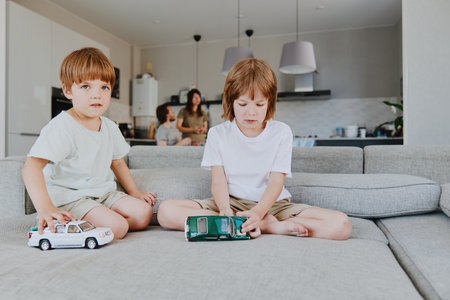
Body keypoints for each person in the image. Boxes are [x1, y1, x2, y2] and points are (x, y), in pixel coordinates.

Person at [158, 58, 352, 240]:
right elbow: (218, 181)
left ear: (270, 103)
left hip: (273, 205)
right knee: (166, 212)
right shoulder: (218, 134)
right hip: (231, 202)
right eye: (242, 104)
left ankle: (263, 224)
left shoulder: (281, 132)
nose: (251, 112)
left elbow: (277, 181)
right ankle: (257, 224)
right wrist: (225, 209)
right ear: (231, 101)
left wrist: (259, 213)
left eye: (260, 104)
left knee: (341, 225)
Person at [22, 47, 156, 240]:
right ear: (68, 91)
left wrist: (134, 191)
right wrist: (45, 208)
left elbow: (117, 162)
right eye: (86, 87)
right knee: (118, 227)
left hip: (103, 194)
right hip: (71, 198)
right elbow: (31, 167)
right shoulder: (62, 127)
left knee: (143, 214)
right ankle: (68, 222)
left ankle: (92, 221)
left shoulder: (110, 127)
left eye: (104, 87)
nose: (97, 94)